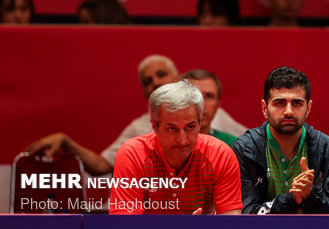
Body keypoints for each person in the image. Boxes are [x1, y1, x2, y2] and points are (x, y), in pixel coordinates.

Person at [25, 55, 247, 176]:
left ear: (179, 78)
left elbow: (251, 147)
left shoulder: (210, 113)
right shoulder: (139, 128)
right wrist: (67, 141)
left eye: (161, 75)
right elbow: (102, 165)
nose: (156, 82)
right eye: (147, 81)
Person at [110, 80, 243, 214]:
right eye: (172, 128)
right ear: (155, 126)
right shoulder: (133, 154)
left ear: (199, 124)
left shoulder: (220, 154)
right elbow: (124, 224)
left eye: (190, 127)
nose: (182, 140)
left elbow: (232, 222)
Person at [232, 66, 329, 214]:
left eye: (297, 103)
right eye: (279, 103)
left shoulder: (327, 148)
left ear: (308, 108)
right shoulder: (245, 149)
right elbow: (244, 214)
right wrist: (291, 199)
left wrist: (310, 195)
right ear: (264, 108)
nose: (288, 111)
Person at [182, 69, 238, 147]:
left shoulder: (233, 145)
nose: (201, 104)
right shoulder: (164, 142)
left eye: (209, 96)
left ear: (218, 105)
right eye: (193, 96)